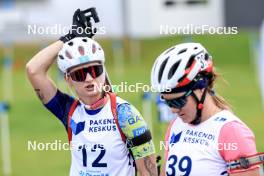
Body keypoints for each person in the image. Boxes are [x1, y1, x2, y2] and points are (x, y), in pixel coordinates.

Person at [26, 20, 157, 176]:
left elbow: (149, 171)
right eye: (79, 74)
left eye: (95, 70)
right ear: (68, 79)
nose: (89, 78)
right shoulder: (69, 110)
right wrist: (67, 39)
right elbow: (33, 70)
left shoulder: (124, 113)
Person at [150, 42, 263, 176]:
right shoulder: (176, 125)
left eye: (178, 101)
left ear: (201, 87)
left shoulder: (232, 132)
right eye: (167, 102)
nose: (173, 110)